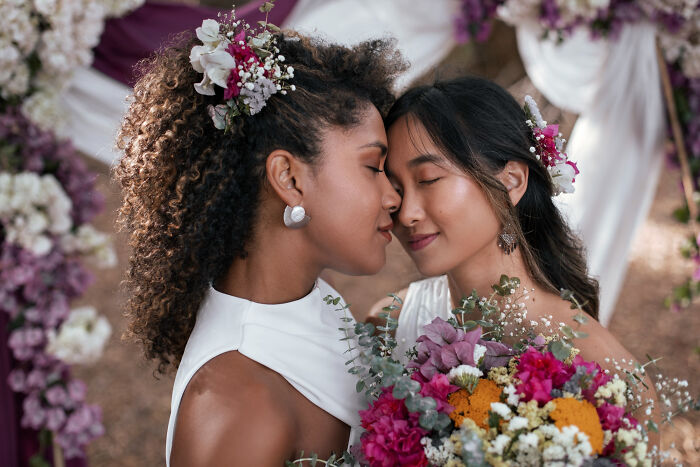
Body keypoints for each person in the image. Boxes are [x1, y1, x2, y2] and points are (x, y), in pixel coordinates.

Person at [114, 15, 404, 466]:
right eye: (373, 167)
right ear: (289, 178)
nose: (393, 196)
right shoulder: (238, 404)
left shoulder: (311, 302)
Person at [370, 76, 646, 380]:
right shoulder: (386, 326)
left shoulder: (599, 367)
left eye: (428, 179)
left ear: (511, 181)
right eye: (395, 189)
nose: (406, 214)